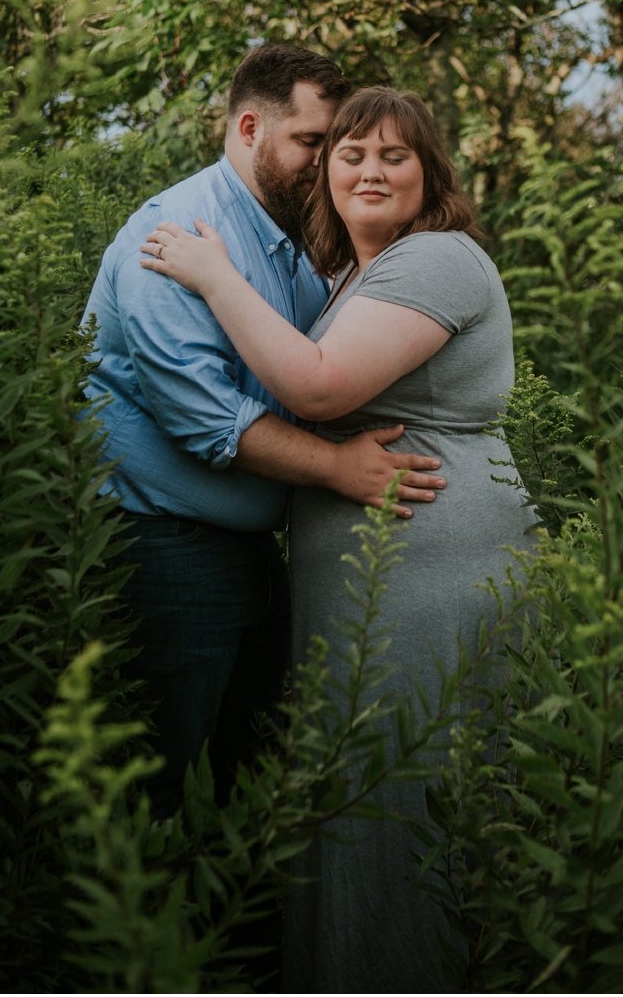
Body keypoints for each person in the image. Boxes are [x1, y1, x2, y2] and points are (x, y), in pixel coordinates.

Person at [141, 85, 537, 993]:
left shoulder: (435, 257)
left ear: (430, 173)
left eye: (395, 155)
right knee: (362, 786)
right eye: (351, 153)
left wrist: (213, 277)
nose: (370, 169)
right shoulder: (360, 272)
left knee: (407, 788)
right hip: (380, 579)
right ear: (326, 171)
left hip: (428, 567)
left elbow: (318, 387)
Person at [80, 45, 448, 802]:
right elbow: (204, 419)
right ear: (249, 126)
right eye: (311, 142)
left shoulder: (291, 242)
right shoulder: (174, 236)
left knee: (250, 788)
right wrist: (337, 467)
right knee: (161, 789)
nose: (325, 164)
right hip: (165, 550)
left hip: (254, 553)